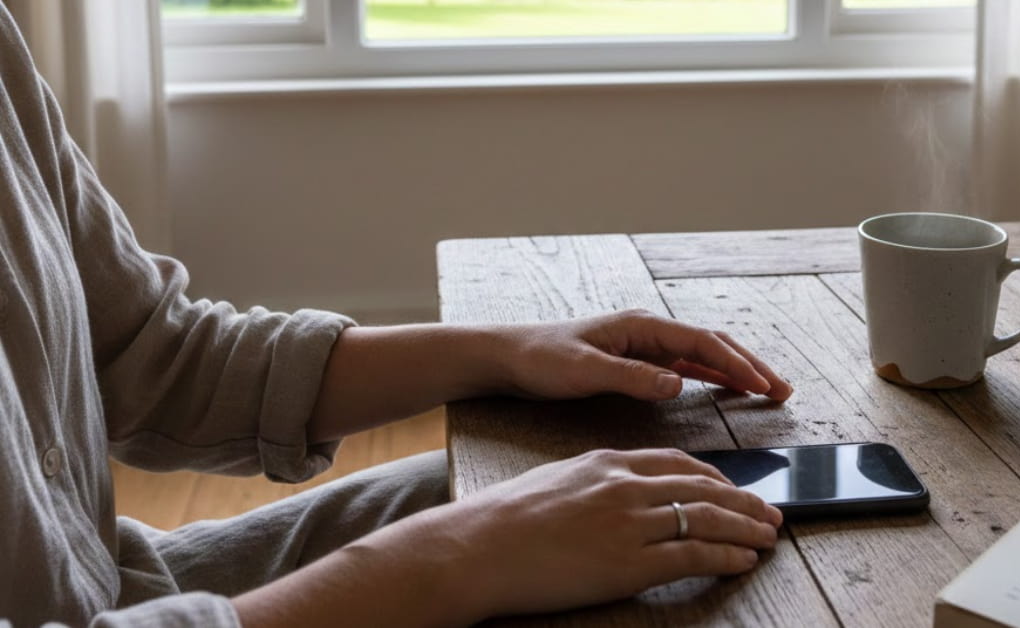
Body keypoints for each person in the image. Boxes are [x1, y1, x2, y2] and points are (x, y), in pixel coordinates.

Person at [0, 5, 793, 626]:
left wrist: (509, 352)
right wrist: (456, 558)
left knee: (542, 481)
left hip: (132, 589)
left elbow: (157, 356)